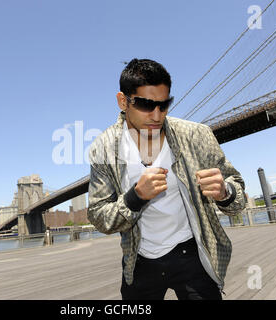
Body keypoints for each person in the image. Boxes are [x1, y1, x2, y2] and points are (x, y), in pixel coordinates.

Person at [87, 58, 246, 300]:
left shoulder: (196, 135)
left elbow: (238, 198)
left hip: (193, 254)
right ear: (123, 101)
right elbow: (99, 217)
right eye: (145, 105)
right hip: (139, 262)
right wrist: (135, 197)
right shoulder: (103, 149)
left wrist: (225, 192)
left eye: (164, 105)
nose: (156, 115)